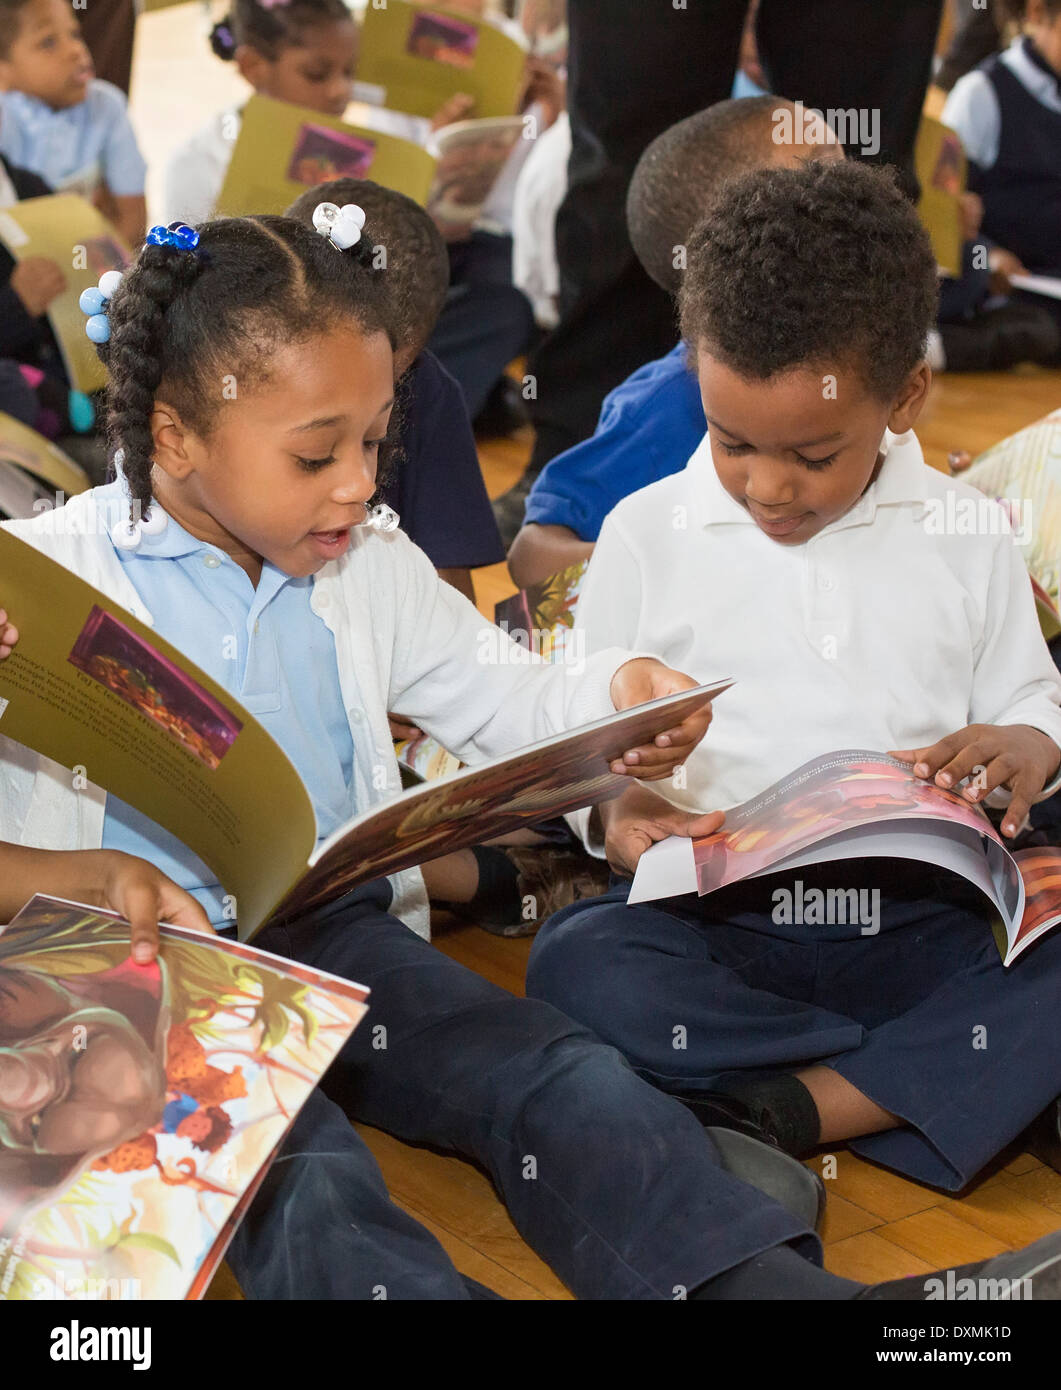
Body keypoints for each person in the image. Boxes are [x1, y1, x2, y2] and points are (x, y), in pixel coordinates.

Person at [2, 604, 1058, 1302]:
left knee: (548, 1065)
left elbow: (503, 691)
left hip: (328, 918)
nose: (362, 482)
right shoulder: (53, 573)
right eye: (319, 455)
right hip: (135, 957)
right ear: (179, 435)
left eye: (371, 442)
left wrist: (614, 701)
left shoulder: (361, 561)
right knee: (291, 1165)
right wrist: (75, 870)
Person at [525, 159, 1061, 1199]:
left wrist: (1027, 745)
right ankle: (918, 1077)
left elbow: (1027, 697)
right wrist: (618, 806)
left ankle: (781, 1107)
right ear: (693, 366)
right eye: (733, 443)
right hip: (715, 926)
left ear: (905, 396)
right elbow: (583, 736)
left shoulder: (964, 533)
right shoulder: (644, 532)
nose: (769, 486)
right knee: (578, 962)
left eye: (812, 454)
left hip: (920, 912)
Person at [514, 0, 945, 509]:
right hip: (631, 458)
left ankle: (873, 458)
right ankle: (581, 439)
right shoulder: (655, 407)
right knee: (629, 143)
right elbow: (540, 555)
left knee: (866, 148)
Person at [507, 95, 841, 584]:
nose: (855, 196)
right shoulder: (670, 403)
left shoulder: (857, 361)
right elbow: (531, 555)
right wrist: (668, 567)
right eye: (820, 178)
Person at [162, 0, 535, 428]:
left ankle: (393, 416)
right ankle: (414, 415)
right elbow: (185, 294)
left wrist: (434, 184)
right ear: (252, 67)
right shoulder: (198, 161)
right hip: (265, 344)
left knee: (503, 305)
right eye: (317, 74)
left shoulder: (368, 148)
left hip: (359, 327)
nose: (339, 91)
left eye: (350, 72)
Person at [942, 0, 1061, 344]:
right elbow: (941, 217)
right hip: (1007, 305)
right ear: (1038, 13)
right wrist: (987, 255)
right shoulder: (979, 95)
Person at [0, 0, 146, 245]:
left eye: (74, 34)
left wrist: (97, 272)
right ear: (4, 70)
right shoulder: (5, 119)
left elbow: (133, 220)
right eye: (48, 42)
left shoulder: (107, 106)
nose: (75, 49)